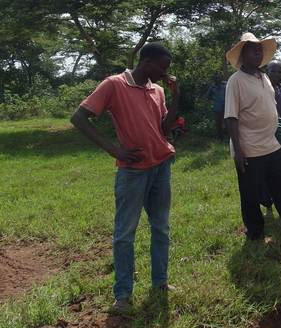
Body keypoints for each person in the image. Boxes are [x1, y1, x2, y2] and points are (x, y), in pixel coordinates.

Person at [70, 42, 180, 312]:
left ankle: (160, 282)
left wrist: (176, 96)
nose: (164, 74)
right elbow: (79, 117)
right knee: (124, 234)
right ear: (146, 63)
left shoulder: (158, 90)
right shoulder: (114, 84)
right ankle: (122, 295)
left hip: (161, 166)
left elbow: (164, 129)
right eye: (161, 68)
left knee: (161, 228)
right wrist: (114, 149)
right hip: (132, 172)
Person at [224, 33, 281, 242]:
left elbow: (271, 112)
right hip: (250, 149)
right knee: (251, 195)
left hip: (274, 145)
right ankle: (255, 235)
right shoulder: (235, 81)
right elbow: (231, 118)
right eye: (252, 50)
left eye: (259, 50)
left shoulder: (263, 77)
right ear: (242, 54)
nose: (257, 53)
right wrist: (238, 151)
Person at [206, 73, 227, 141]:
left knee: (227, 123)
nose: (217, 80)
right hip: (217, 107)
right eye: (216, 78)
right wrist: (214, 99)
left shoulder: (225, 84)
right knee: (218, 123)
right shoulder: (213, 87)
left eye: (219, 78)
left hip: (226, 106)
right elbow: (207, 96)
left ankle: (229, 138)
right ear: (214, 80)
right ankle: (220, 138)